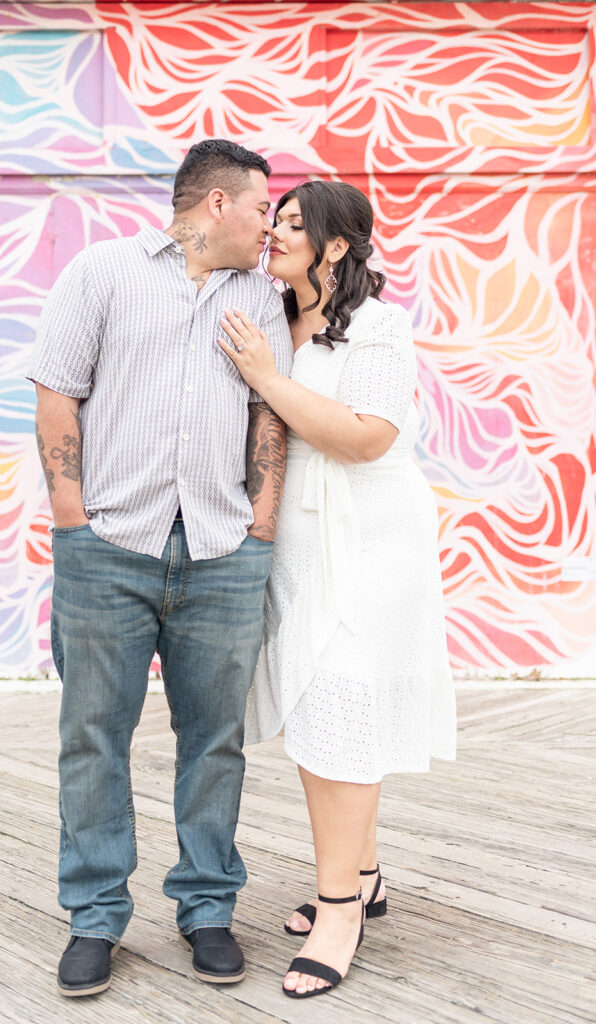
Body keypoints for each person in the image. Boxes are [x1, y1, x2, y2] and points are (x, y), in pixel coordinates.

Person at [27, 139, 293, 996]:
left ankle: (207, 907)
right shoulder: (101, 273)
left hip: (223, 552)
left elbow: (270, 415)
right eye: (261, 206)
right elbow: (57, 391)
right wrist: (73, 522)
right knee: (92, 737)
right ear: (216, 204)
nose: (269, 224)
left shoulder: (262, 296)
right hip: (108, 546)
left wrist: (259, 526)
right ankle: (96, 917)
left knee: (214, 742)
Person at [218, 179, 456, 999]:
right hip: (298, 544)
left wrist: (264, 376)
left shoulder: (381, 327)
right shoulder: (274, 318)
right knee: (320, 707)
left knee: (344, 701)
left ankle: (338, 910)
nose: (275, 233)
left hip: (371, 537)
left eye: (293, 224)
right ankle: (364, 872)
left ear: (338, 245)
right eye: (274, 219)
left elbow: (364, 438)